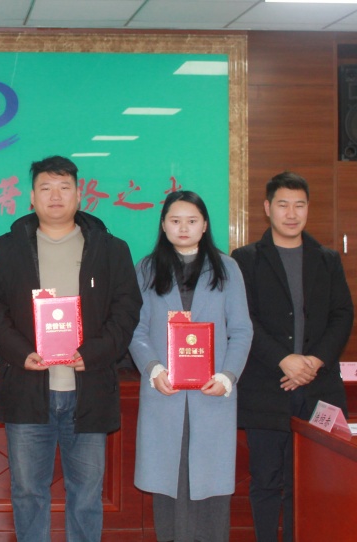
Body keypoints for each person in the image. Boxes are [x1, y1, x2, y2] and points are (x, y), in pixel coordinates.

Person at [0, 155, 142, 541]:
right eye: (46, 188)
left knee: (86, 495)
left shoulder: (110, 249)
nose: (55, 196)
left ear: (79, 194)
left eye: (64, 187)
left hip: (89, 390)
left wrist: (95, 352)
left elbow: (126, 310)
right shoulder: (8, 248)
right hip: (28, 389)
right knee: (28, 492)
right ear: (31, 197)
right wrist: (20, 352)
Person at [231, 172, 353, 542]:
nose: (291, 213)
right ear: (267, 208)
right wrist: (284, 359)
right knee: (267, 480)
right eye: (283, 204)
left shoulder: (326, 259)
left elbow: (343, 315)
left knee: (314, 481)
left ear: (307, 209)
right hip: (267, 388)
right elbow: (243, 319)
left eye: (299, 205)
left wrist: (315, 361)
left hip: (319, 388)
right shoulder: (246, 259)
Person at [129, 191, 253, 542]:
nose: (183, 228)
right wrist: (153, 369)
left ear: (205, 225)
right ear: (163, 225)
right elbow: (135, 328)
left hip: (211, 392)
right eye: (175, 220)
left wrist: (227, 376)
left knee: (210, 484)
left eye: (192, 220)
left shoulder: (227, 268)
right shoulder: (147, 268)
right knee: (167, 481)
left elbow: (241, 330)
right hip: (164, 390)